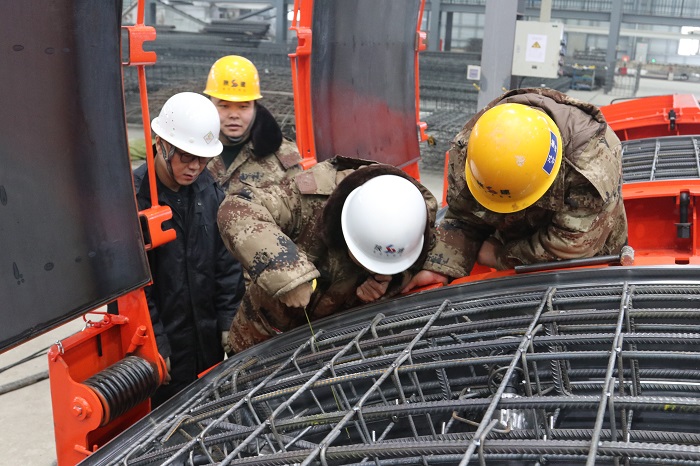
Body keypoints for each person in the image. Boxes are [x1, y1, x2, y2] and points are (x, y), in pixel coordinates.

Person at [405, 88, 628, 290]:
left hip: (585, 258)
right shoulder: (474, 148)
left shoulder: (589, 165)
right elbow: (464, 216)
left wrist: (499, 256)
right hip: (516, 239)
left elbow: (572, 245)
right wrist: (441, 266)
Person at [217, 156, 438, 353]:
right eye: (365, 259)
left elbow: (434, 262)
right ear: (348, 227)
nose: (370, 270)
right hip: (260, 342)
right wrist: (289, 274)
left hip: (332, 355)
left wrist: (386, 287)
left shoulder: (415, 222)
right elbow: (237, 209)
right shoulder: (308, 200)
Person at [133, 92, 245, 407]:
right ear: (161, 144)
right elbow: (134, 288)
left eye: (203, 159)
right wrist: (154, 342)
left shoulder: (209, 192)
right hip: (165, 351)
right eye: (185, 156)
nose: (195, 167)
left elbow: (226, 263)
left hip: (206, 343)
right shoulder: (134, 200)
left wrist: (228, 319)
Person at [203, 55, 302, 195]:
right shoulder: (189, 150)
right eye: (224, 106)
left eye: (243, 107)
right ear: (209, 104)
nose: (234, 115)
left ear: (255, 107)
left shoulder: (284, 157)